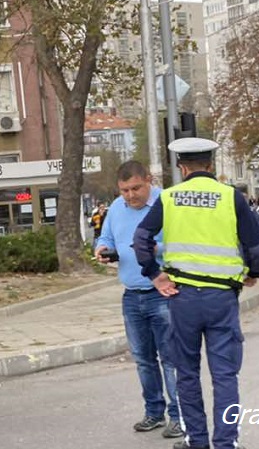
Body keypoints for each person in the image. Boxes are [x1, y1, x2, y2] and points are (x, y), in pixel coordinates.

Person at [133, 138, 259, 449]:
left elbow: (141, 239)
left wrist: (155, 276)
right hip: (221, 298)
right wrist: (253, 273)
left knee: (187, 373)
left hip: (182, 299)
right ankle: (226, 443)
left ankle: (196, 440)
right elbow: (257, 246)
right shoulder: (230, 197)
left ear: (182, 167)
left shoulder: (168, 197)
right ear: (211, 165)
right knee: (225, 376)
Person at [94, 161, 183, 440]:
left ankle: (179, 416)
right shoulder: (116, 208)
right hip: (132, 295)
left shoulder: (167, 203)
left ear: (149, 180)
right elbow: (106, 236)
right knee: (144, 360)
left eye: (136, 188)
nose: (130, 196)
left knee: (171, 359)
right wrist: (102, 248)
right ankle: (154, 413)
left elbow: (184, 243)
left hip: (164, 294)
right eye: (124, 190)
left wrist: (159, 249)